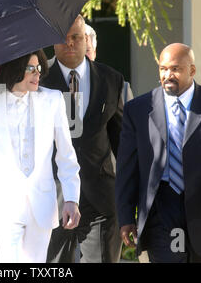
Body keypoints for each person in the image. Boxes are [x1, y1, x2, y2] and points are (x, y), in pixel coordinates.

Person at [0, 50, 81, 263]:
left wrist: (72, 198)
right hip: (4, 205)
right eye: (30, 68)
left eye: (40, 68)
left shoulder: (53, 101)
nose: (38, 74)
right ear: (13, 69)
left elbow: (66, 155)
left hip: (42, 204)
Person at [41, 15, 124, 263]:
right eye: (62, 39)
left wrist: (131, 196)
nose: (69, 44)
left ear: (86, 39)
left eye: (76, 37)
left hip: (100, 200)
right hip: (52, 200)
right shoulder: (38, 81)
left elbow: (122, 143)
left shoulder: (111, 80)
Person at [116, 43, 201, 263]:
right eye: (163, 69)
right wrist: (126, 216)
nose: (168, 75)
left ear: (192, 71)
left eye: (175, 69)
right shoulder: (138, 109)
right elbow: (127, 167)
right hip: (162, 209)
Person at [85, 24, 133, 104]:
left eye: (87, 50)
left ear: (94, 52)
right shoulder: (60, 89)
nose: (83, 56)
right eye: (78, 52)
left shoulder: (119, 89)